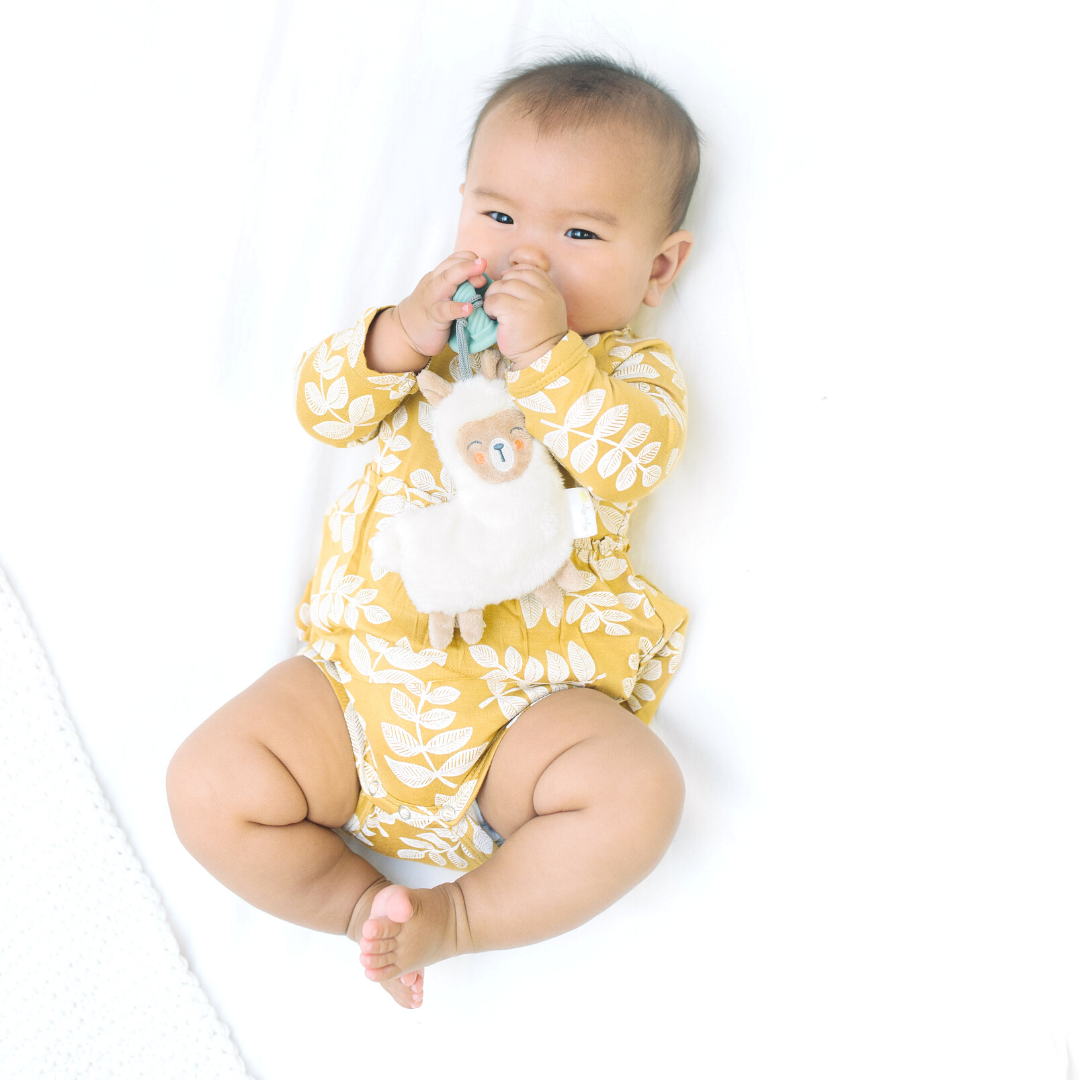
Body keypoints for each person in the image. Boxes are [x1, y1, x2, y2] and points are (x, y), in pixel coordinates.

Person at [167, 52, 698, 1010]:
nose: (523, 256)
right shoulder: (424, 347)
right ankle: (359, 907)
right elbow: (322, 408)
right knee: (206, 786)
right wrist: (395, 337)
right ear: (461, 208)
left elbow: (630, 459)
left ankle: (459, 917)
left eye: (578, 232)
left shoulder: (628, 375)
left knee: (641, 792)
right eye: (498, 218)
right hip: (351, 694)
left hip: (527, 722)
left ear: (657, 266)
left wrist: (546, 356)